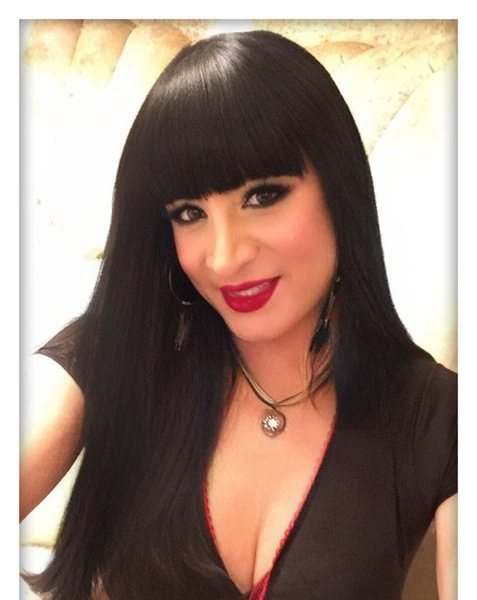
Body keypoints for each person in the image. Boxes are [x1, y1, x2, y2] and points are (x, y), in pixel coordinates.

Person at [21, 30, 457, 600]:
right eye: (189, 212)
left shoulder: (436, 415)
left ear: (340, 192)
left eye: (263, 196)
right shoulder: (118, 350)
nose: (224, 257)